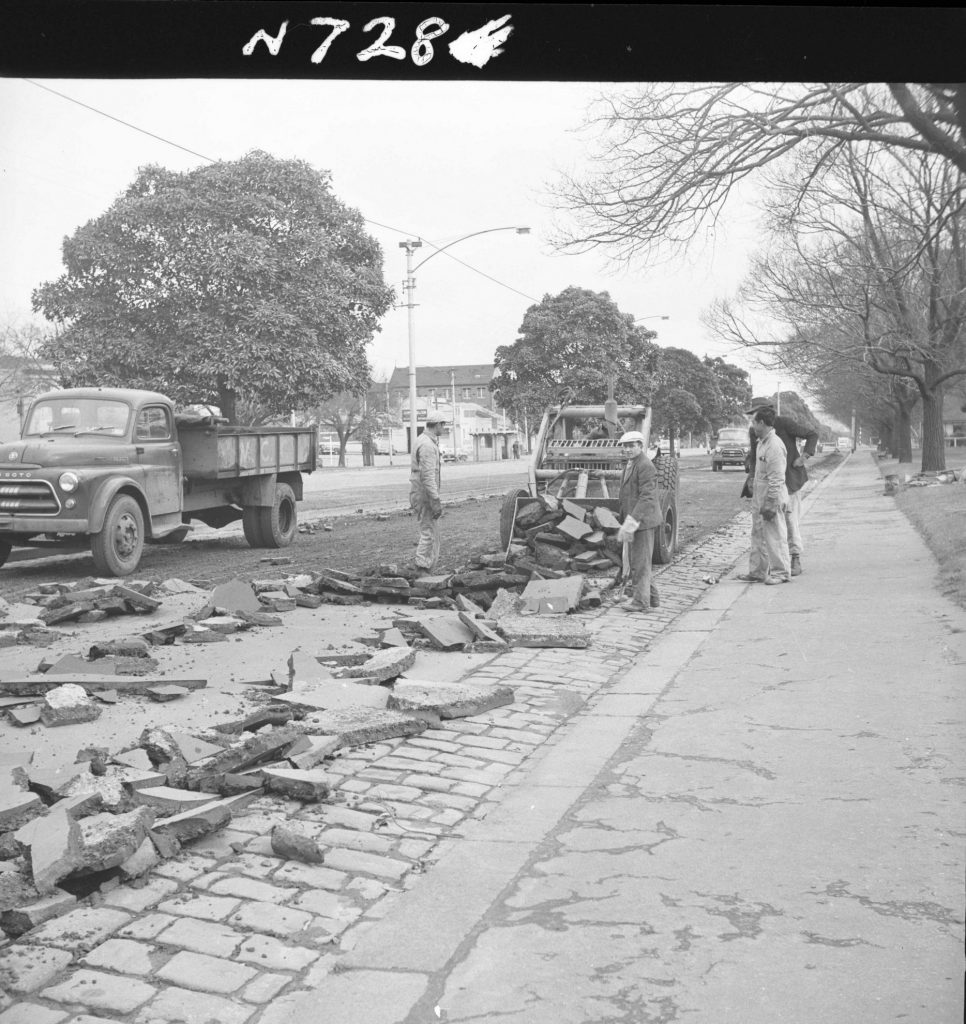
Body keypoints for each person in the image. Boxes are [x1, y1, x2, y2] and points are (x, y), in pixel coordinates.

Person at [744, 398, 818, 576]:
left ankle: (794, 559)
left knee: (789, 522)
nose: (752, 421)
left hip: (788, 480)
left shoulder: (784, 424)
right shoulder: (755, 431)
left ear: (764, 415)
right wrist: (751, 477)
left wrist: (803, 457)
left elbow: (812, 434)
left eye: (755, 416)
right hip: (766, 483)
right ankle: (761, 568)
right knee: (762, 526)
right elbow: (754, 457)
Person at [738, 407, 791, 585]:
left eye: (754, 422)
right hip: (760, 494)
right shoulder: (762, 442)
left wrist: (771, 501)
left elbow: (777, 478)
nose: (752, 426)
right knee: (758, 534)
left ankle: (782, 572)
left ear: (762, 423)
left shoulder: (774, 445)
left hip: (771, 494)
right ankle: (758, 571)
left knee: (775, 534)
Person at [615, 430, 663, 612]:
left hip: (643, 521)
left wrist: (631, 522)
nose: (627, 449)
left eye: (631, 446)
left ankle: (640, 602)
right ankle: (652, 598)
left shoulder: (645, 466)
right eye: (625, 446)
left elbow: (647, 498)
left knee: (639, 563)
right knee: (640, 561)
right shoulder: (632, 464)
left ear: (640, 446)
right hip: (636, 520)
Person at [410, 410, 448, 571]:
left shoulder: (424, 440)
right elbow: (428, 476)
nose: (444, 429)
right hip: (425, 495)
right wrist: (435, 500)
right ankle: (421, 568)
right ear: (438, 425)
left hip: (421, 492)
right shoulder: (427, 445)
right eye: (443, 425)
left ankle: (427, 569)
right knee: (429, 533)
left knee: (431, 532)